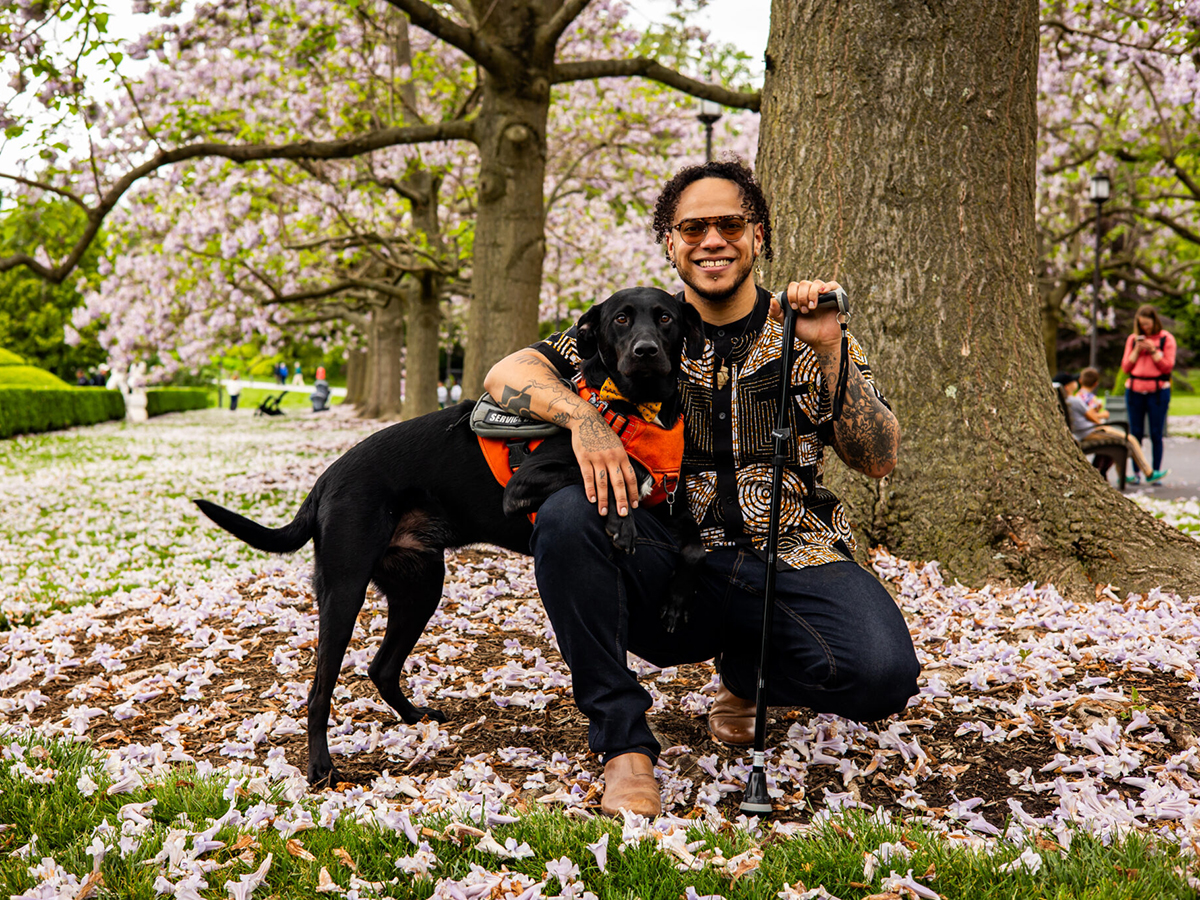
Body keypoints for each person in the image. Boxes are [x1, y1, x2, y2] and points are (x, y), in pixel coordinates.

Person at [483, 158, 918, 817]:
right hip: (666, 560)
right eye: (693, 228)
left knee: (882, 675)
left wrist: (830, 347)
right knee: (571, 513)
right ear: (670, 243)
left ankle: (747, 674)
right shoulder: (636, 324)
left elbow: (878, 457)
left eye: (729, 224)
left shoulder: (808, 327)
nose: (711, 239)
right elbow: (507, 372)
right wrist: (583, 420)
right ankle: (624, 747)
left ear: (759, 236)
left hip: (788, 553)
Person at [1058, 371, 1151, 481]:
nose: (1076, 382)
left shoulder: (1070, 400)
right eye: (1072, 381)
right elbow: (1094, 419)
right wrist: (1103, 414)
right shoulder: (1075, 401)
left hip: (1084, 432)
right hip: (1091, 431)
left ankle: (1121, 475)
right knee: (1130, 439)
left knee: (1121, 442)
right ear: (1067, 386)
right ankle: (1148, 472)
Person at [1121, 304, 1174, 484]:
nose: (1145, 328)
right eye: (1142, 325)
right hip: (1135, 390)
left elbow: (1167, 366)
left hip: (1158, 392)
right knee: (1135, 433)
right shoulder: (1132, 340)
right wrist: (1137, 349)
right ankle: (1137, 472)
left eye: (1148, 324)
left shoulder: (1166, 339)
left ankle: (1155, 472)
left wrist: (1152, 350)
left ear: (1154, 321)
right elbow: (1126, 367)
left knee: (1155, 432)